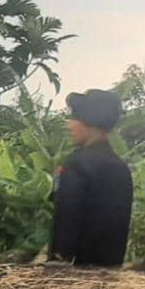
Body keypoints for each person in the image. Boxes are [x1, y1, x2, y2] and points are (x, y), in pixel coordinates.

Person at [49, 89, 133, 267]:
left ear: (89, 122)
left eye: (74, 118)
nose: (69, 125)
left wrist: (56, 263)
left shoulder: (77, 165)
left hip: (76, 276)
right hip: (109, 272)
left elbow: (66, 219)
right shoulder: (121, 169)